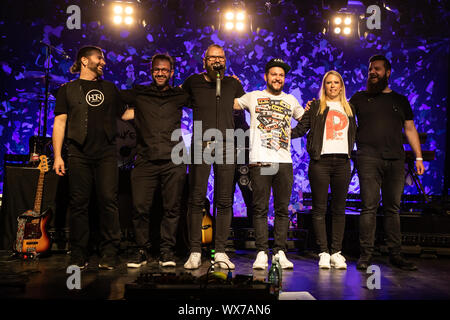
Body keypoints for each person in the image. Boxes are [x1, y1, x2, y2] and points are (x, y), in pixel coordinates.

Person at [350, 55, 425, 271]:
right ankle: (366, 255)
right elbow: (340, 115)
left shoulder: (400, 100)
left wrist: (418, 157)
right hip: (368, 158)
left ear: (388, 73)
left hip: (395, 160)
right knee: (369, 208)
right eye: (370, 69)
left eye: (378, 69)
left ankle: (396, 254)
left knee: (393, 208)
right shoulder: (359, 98)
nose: (373, 72)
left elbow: (410, 129)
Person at [52, 46, 123, 270]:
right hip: (78, 153)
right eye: (99, 58)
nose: (103, 62)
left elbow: (126, 113)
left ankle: (110, 251)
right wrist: (57, 156)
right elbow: (60, 123)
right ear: (84, 60)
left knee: (108, 202)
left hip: (106, 154)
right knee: (79, 204)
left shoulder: (111, 89)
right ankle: (79, 253)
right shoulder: (67, 90)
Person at [120, 53, 189, 268]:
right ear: (151, 71)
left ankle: (167, 251)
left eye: (165, 70)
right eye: (157, 69)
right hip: (145, 160)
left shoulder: (180, 95)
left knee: (172, 208)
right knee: (140, 207)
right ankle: (141, 249)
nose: (160, 73)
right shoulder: (139, 94)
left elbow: (206, 97)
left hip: (174, 160)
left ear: (171, 72)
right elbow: (113, 97)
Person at [234, 58, 304, 269]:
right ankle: (262, 252)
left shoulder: (291, 100)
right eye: (274, 74)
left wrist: (292, 134)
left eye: (281, 75)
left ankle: (280, 252)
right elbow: (233, 103)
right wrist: (232, 85)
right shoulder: (253, 97)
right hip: (260, 161)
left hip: (283, 162)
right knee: (260, 209)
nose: (277, 78)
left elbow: (307, 120)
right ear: (266, 76)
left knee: (282, 210)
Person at [182, 44, 245, 270]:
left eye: (220, 57)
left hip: (227, 145)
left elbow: (244, 106)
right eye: (212, 57)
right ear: (204, 61)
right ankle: (195, 251)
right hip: (201, 143)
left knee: (225, 200)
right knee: (196, 198)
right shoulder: (193, 82)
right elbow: (176, 100)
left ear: (225, 61)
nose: (216, 61)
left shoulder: (233, 83)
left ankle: (220, 251)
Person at [291, 70, 356, 269]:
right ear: (324, 86)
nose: (333, 86)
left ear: (341, 86)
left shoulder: (350, 108)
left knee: (338, 210)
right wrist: (278, 131)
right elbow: (300, 130)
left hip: (343, 163)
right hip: (320, 162)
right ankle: (323, 252)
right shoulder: (317, 107)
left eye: (336, 82)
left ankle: (336, 252)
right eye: (329, 83)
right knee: (319, 209)